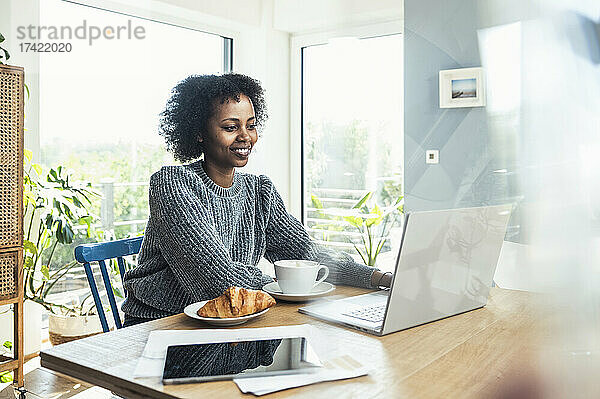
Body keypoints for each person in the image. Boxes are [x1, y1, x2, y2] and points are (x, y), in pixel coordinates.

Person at [121, 73, 393, 327]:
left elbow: (306, 257)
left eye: (251, 125)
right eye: (230, 127)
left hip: (234, 324)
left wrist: (379, 278)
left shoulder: (259, 190)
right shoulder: (172, 183)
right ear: (199, 132)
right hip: (165, 325)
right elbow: (215, 282)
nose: (245, 137)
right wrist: (277, 282)